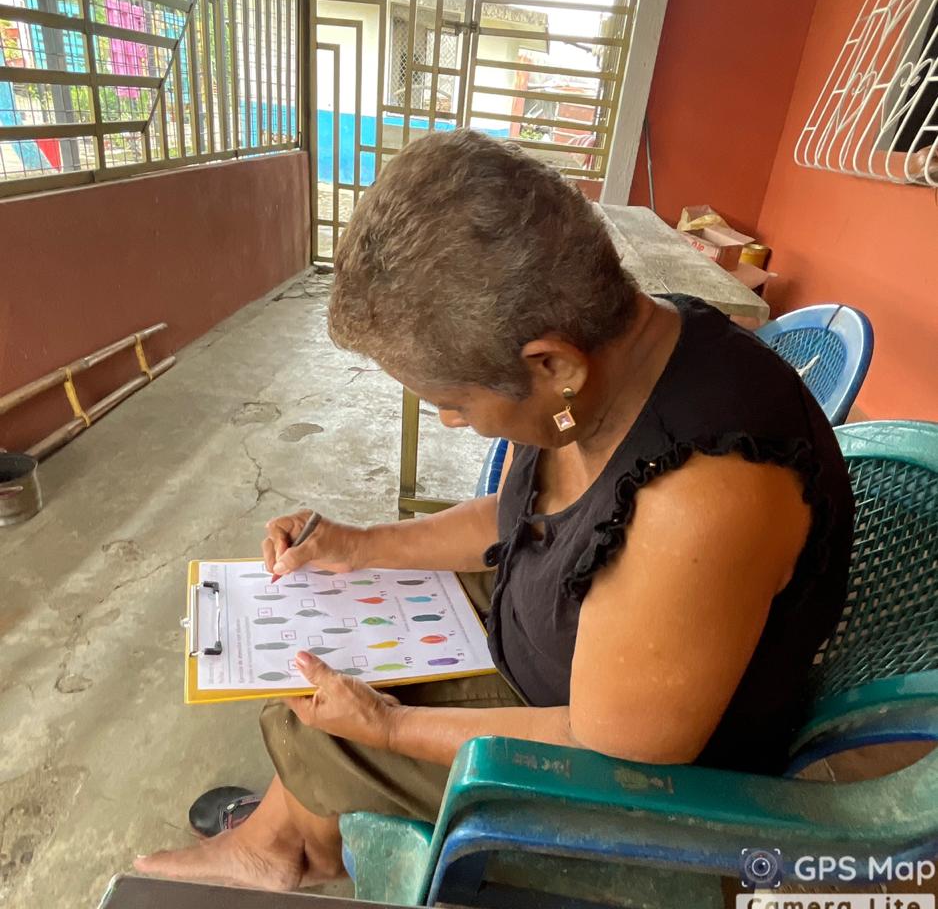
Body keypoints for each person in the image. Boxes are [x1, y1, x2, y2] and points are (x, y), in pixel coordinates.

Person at [136, 129, 854, 891]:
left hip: (636, 782)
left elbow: (613, 749)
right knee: (344, 634)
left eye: (453, 403)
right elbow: (525, 520)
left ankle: (291, 842)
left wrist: (389, 728)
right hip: (567, 661)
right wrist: (358, 544)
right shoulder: (625, 347)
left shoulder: (702, 495)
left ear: (553, 365)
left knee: (338, 727)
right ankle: (295, 827)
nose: (452, 422)